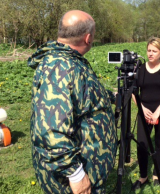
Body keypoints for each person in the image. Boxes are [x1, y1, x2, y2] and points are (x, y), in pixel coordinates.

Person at [27, 10, 117, 194]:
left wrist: (111, 96)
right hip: (71, 181)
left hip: (90, 169)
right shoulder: (59, 67)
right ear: (88, 38)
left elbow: (81, 96)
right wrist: (76, 175)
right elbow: (50, 132)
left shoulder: (69, 61)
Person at [132, 37, 160, 191]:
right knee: (142, 145)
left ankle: (156, 174)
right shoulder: (140, 68)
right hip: (144, 111)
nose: (150, 53)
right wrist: (141, 108)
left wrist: (158, 111)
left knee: (159, 143)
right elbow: (134, 91)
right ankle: (143, 176)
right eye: (149, 50)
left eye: (154, 51)